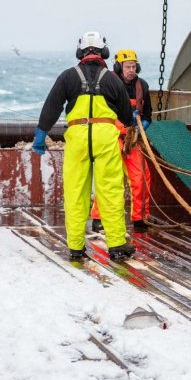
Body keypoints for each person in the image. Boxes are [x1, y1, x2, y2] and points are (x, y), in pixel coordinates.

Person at [33, 32, 137, 261]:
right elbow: (128, 118)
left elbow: (51, 107)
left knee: (76, 192)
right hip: (105, 138)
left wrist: (40, 136)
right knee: (110, 192)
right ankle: (117, 244)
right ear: (104, 52)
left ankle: (76, 247)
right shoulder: (112, 79)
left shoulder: (68, 77)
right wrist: (132, 122)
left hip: (78, 137)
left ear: (80, 52)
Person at [90, 48, 154, 233]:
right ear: (119, 67)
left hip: (133, 139)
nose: (131, 70)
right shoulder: (107, 84)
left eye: (133, 66)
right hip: (113, 138)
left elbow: (148, 113)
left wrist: (144, 125)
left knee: (141, 177)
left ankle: (140, 218)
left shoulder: (143, 86)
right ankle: (98, 218)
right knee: (109, 179)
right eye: (127, 66)